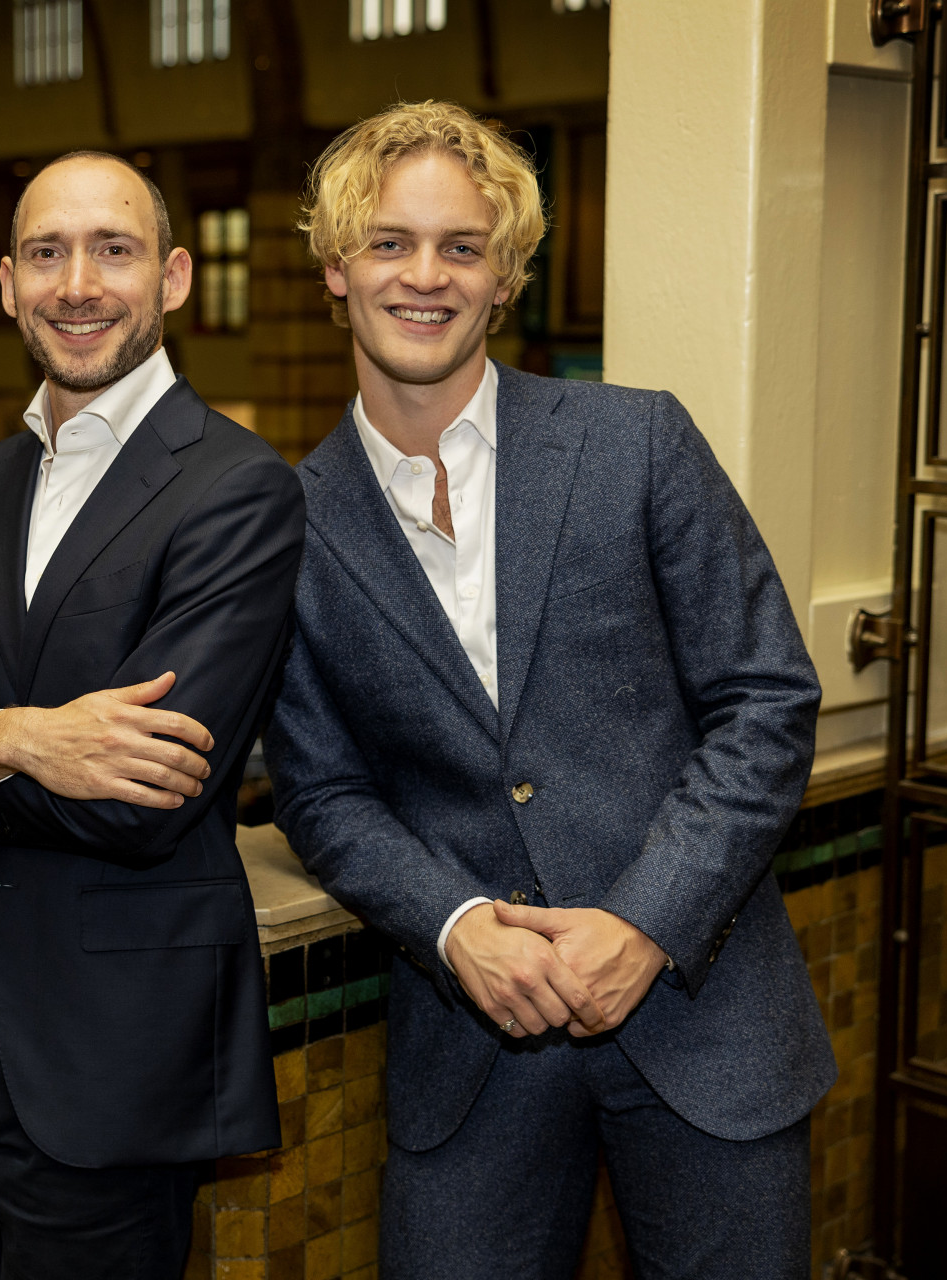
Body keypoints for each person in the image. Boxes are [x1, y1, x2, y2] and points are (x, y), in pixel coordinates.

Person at [264, 100, 836, 1279]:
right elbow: (322, 793)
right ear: (335, 267)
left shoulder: (637, 441)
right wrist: (452, 922)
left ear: (507, 275)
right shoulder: (288, 525)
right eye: (388, 242)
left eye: (462, 247)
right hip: (473, 1048)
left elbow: (766, 699)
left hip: (703, 1018)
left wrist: (647, 919)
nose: (425, 275)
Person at [0, 150, 302, 1279]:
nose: (77, 284)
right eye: (46, 253)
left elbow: (139, 800)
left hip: (108, 1053)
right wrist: (20, 737)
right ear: (6, 284)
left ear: (173, 277)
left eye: (112, 250)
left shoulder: (239, 488)